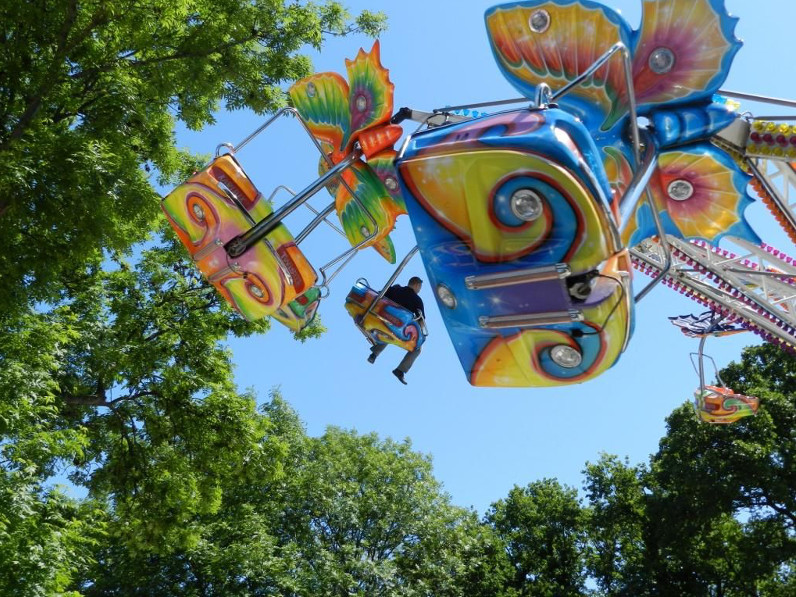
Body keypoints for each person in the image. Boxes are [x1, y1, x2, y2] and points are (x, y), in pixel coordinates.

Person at [367, 276, 425, 384]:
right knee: (417, 348)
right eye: (420, 287)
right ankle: (400, 370)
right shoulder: (417, 300)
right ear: (417, 285)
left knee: (388, 330)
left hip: (382, 322)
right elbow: (421, 321)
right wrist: (422, 334)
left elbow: (379, 295)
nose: (419, 290)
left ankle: (374, 354)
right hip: (398, 330)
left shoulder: (395, 289)